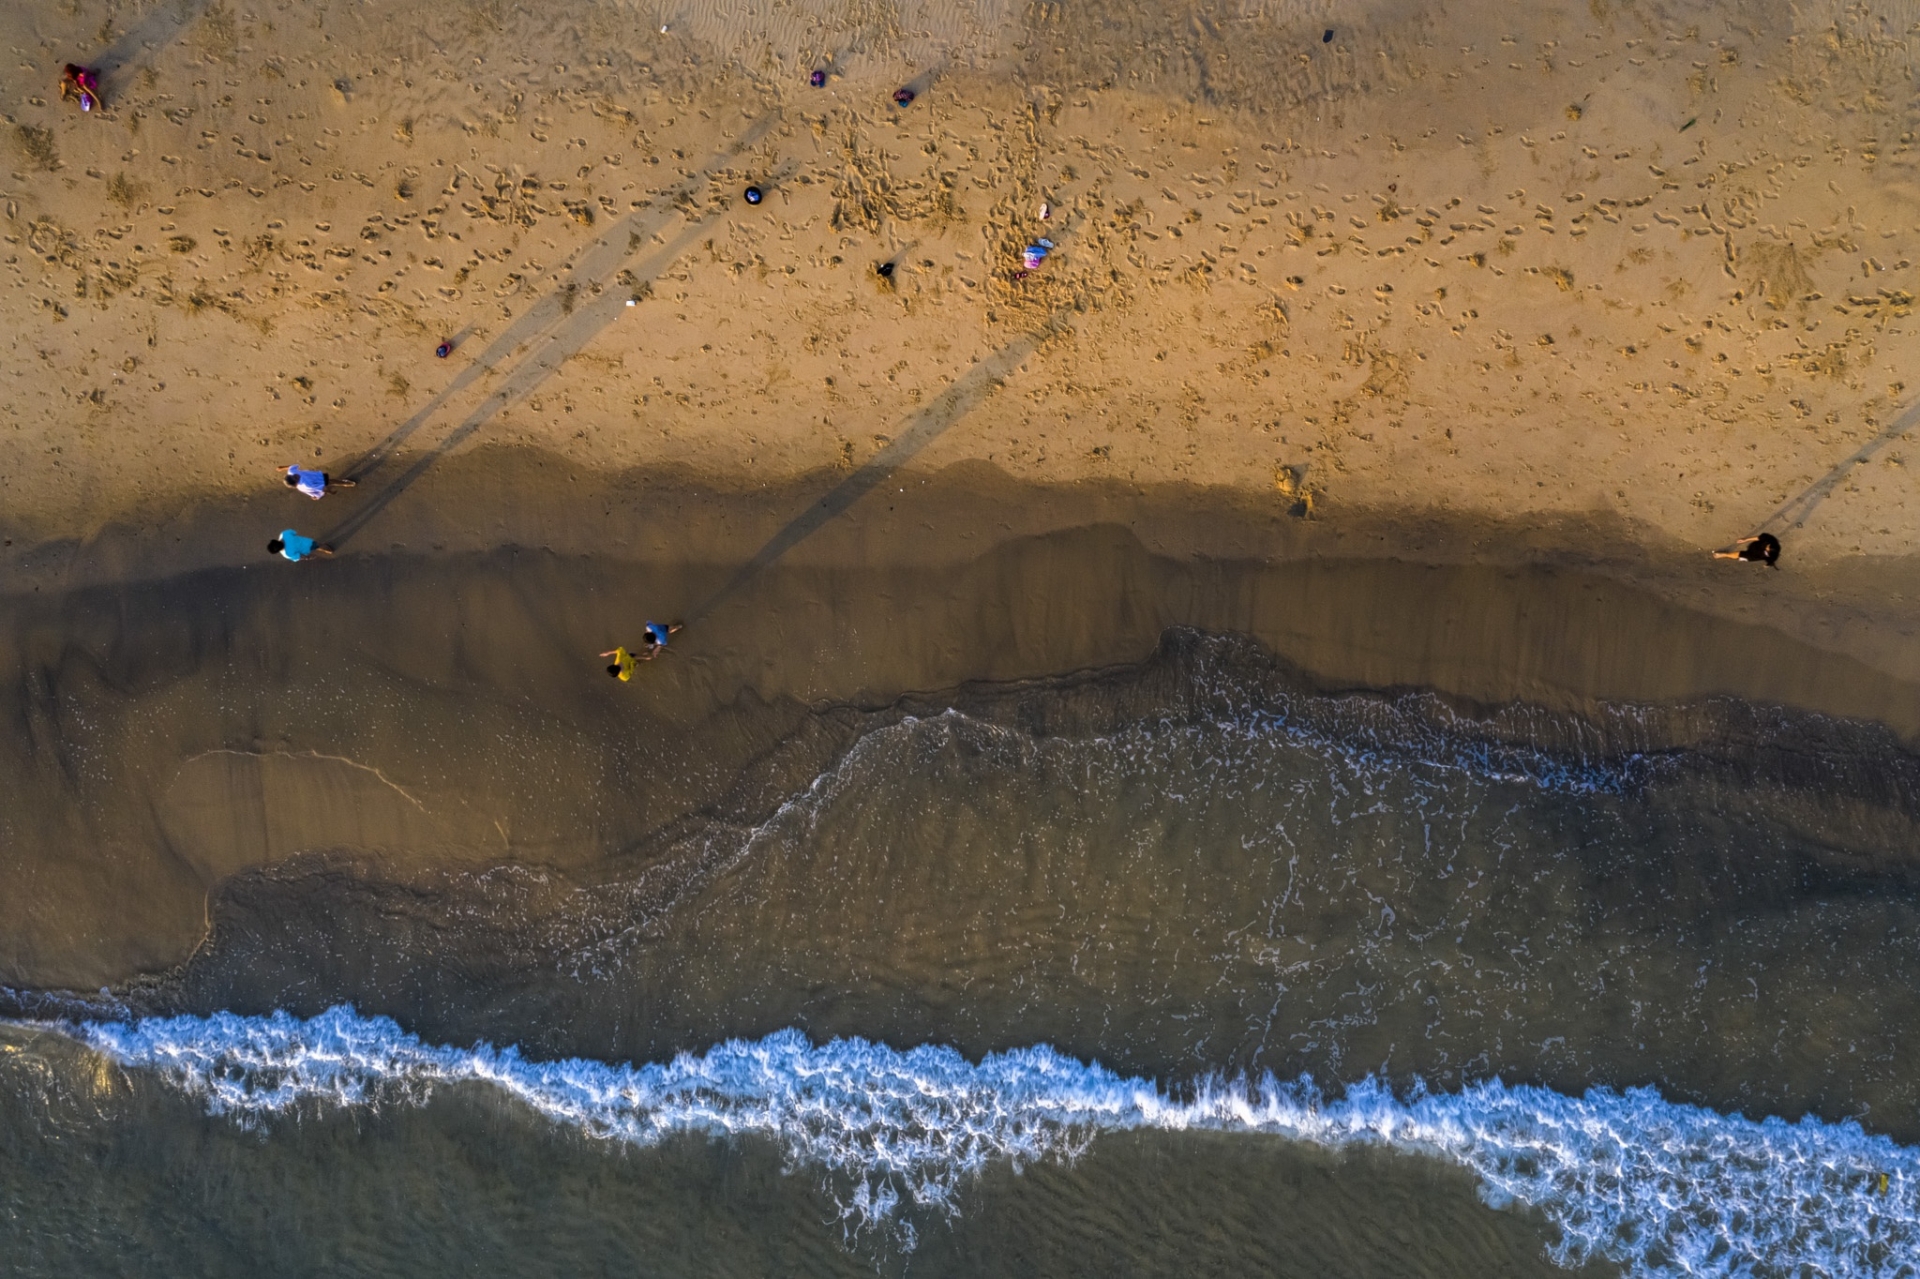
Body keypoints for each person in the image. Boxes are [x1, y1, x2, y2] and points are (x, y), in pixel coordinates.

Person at [599, 622, 683, 679]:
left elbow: (629, 673)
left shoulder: (623, 676)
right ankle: (648, 655)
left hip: (632, 660)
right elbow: (619, 650)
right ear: (613, 665)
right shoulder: (618, 659)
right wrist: (609, 652)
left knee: (641, 660)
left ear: (617, 673)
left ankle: (645, 657)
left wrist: (633, 665)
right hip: (631, 656)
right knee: (643, 657)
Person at [283, 465, 355, 499]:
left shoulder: (292, 472)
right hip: (319, 480)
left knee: (330, 482)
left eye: (293, 475)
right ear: (295, 484)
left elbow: (291, 467)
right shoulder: (306, 485)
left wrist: (282, 468)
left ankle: (345, 483)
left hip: (317, 476)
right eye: (295, 478)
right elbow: (323, 488)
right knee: (331, 481)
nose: (296, 475)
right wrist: (330, 491)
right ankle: (346, 483)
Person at [1714, 532, 1780, 567]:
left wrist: (1768, 564)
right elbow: (1758, 538)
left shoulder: (1773, 555)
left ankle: (1724, 555)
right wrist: (1745, 540)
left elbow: (1771, 560)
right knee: (1749, 549)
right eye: (1767, 546)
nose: (1766, 547)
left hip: (1755, 556)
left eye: (1767, 549)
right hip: (1755, 546)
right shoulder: (1770, 539)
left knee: (1739, 555)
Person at [268, 530, 333, 561]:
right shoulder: (284, 534)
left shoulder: (287, 554)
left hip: (307, 550)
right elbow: (293, 532)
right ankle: (328, 550)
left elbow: (299, 557)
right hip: (308, 541)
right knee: (319, 545)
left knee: (315, 547)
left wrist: (308, 557)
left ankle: (328, 550)